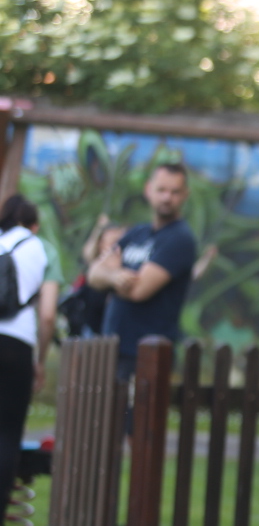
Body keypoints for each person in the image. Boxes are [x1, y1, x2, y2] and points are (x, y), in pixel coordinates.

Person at [88, 161, 197, 382]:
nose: (167, 197)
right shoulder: (137, 233)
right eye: (162, 190)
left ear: (186, 194)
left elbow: (139, 291)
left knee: (134, 418)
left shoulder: (180, 239)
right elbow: (93, 274)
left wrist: (110, 274)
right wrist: (115, 276)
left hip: (147, 354)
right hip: (112, 346)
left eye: (175, 192)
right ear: (148, 189)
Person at [0, 196, 53, 526]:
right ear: (34, 225)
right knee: (6, 435)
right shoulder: (39, 247)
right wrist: (41, 359)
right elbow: (47, 313)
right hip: (15, 345)